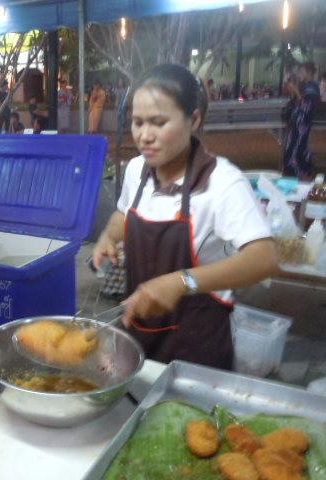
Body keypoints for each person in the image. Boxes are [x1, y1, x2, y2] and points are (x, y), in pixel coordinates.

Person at [93, 64, 278, 370]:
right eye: (137, 123)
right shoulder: (137, 170)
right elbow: (123, 213)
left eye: (158, 122)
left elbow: (264, 258)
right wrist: (108, 237)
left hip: (197, 349)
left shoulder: (222, 182)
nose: (144, 136)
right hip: (139, 338)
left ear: (194, 120)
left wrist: (182, 282)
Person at [282, 62, 320, 179]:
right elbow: (298, 101)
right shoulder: (306, 86)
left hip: (302, 125)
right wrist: (294, 90)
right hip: (297, 124)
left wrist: (296, 91)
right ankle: (295, 174)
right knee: (293, 149)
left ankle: (301, 175)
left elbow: (307, 107)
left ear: (309, 73)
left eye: (302, 71)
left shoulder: (312, 88)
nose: (299, 74)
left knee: (298, 150)